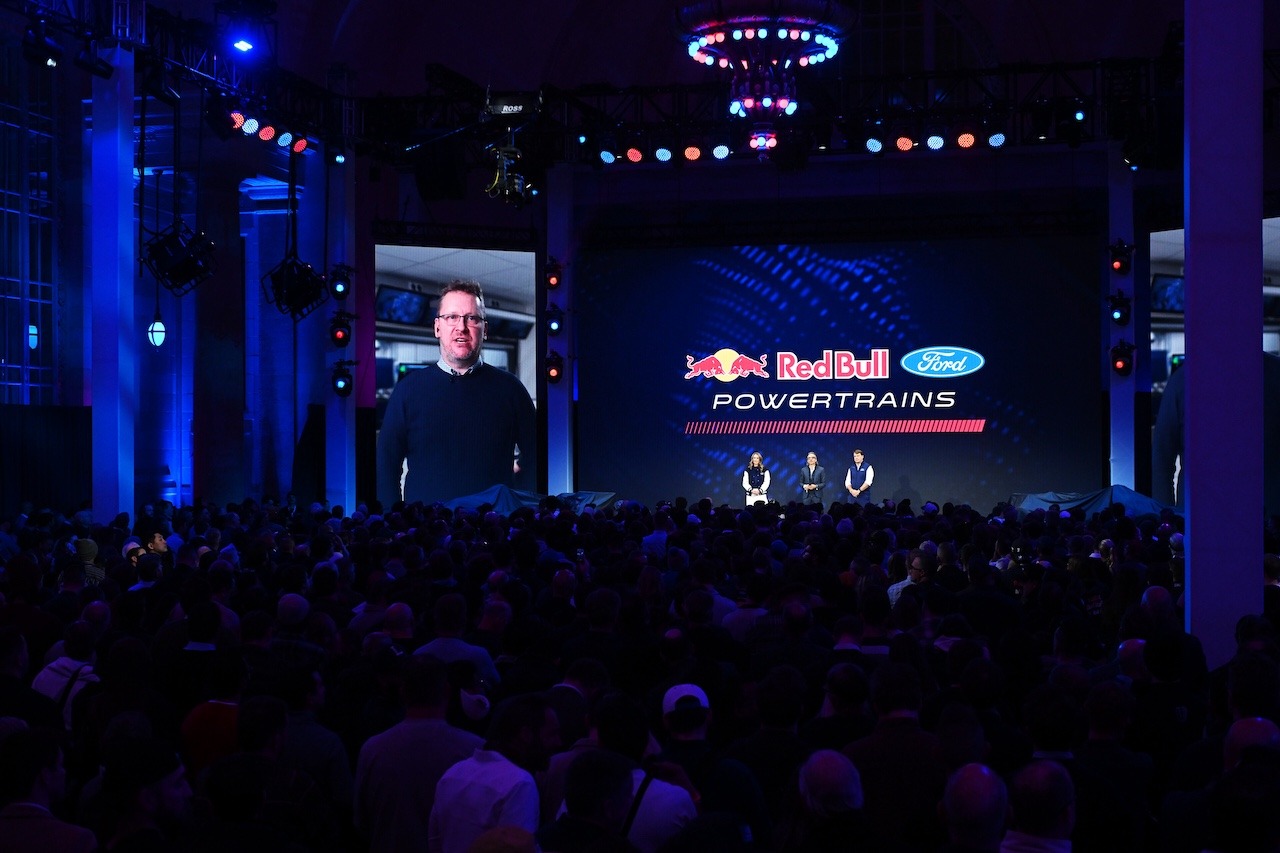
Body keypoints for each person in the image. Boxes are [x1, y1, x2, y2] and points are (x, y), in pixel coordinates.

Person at [377, 279, 538, 507]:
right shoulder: (407, 391)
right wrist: (393, 519)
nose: (461, 327)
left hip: (494, 524)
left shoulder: (511, 389)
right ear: (437, 327)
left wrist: (517, 507)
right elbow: (386, 467)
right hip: (426, 525)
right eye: (452, 317)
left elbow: (537, 457)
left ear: (484, 330)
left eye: (472, 318)